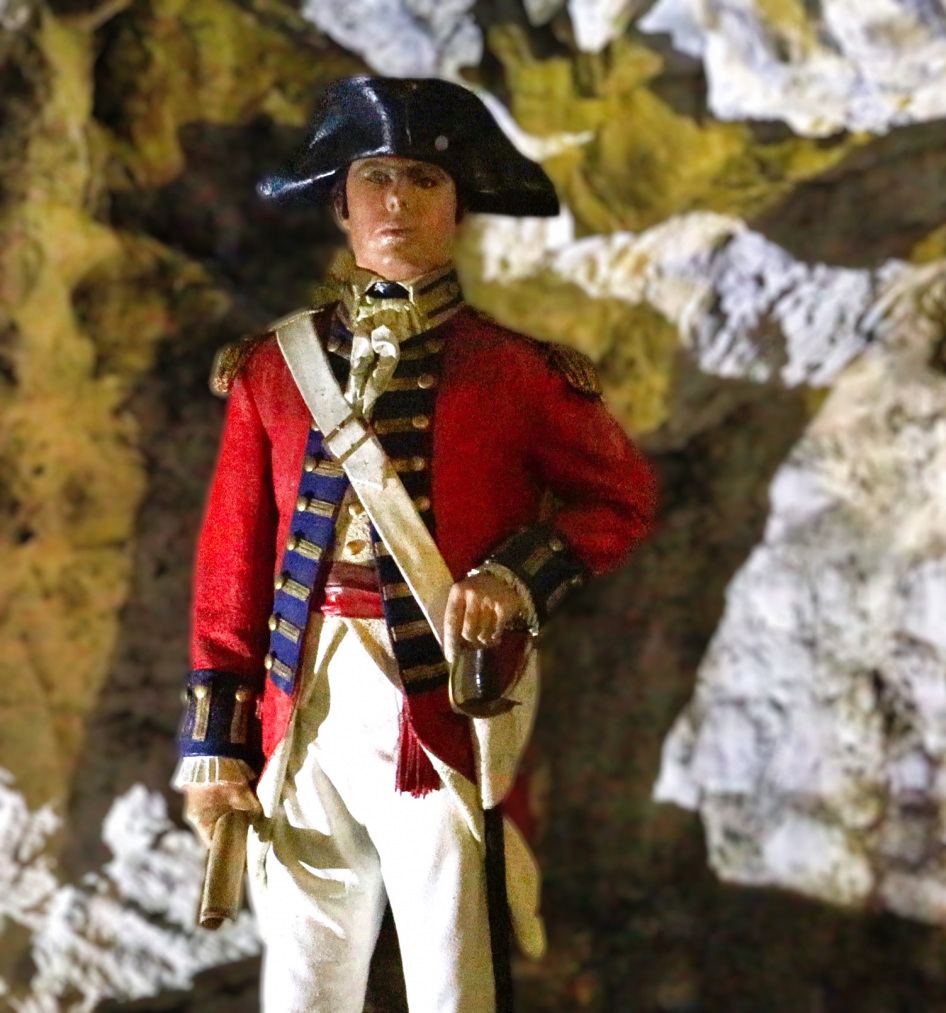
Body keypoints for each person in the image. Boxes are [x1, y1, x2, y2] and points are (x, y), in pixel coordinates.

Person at [173, 76, 657, 1012]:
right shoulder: (274, 369)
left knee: (449, 957)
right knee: (304, 962)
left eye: (425, 181)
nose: (398, 201)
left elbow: (618, 498)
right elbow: (232, 563)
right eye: (377, 178)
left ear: (458, 206)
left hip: (436, 701)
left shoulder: (517, 372)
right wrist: (217, 748)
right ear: (341, 203)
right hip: (297, 699)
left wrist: (515, 580)